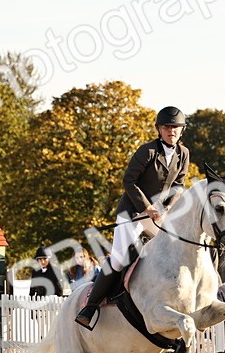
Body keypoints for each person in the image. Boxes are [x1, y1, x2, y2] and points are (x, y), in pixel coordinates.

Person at [76, 106, 190, 329]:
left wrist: (165, 207)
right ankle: (90, 307)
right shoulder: (147, 151)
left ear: (181, 131)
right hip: (133, 213)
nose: (172, 131)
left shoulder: (183, 154)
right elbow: (129, 181)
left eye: (176, 128)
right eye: (167, 127)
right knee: (119, 258)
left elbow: (179, 185)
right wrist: (147, 207)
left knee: (168, 252)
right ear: (159, 129)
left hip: (157, 216)